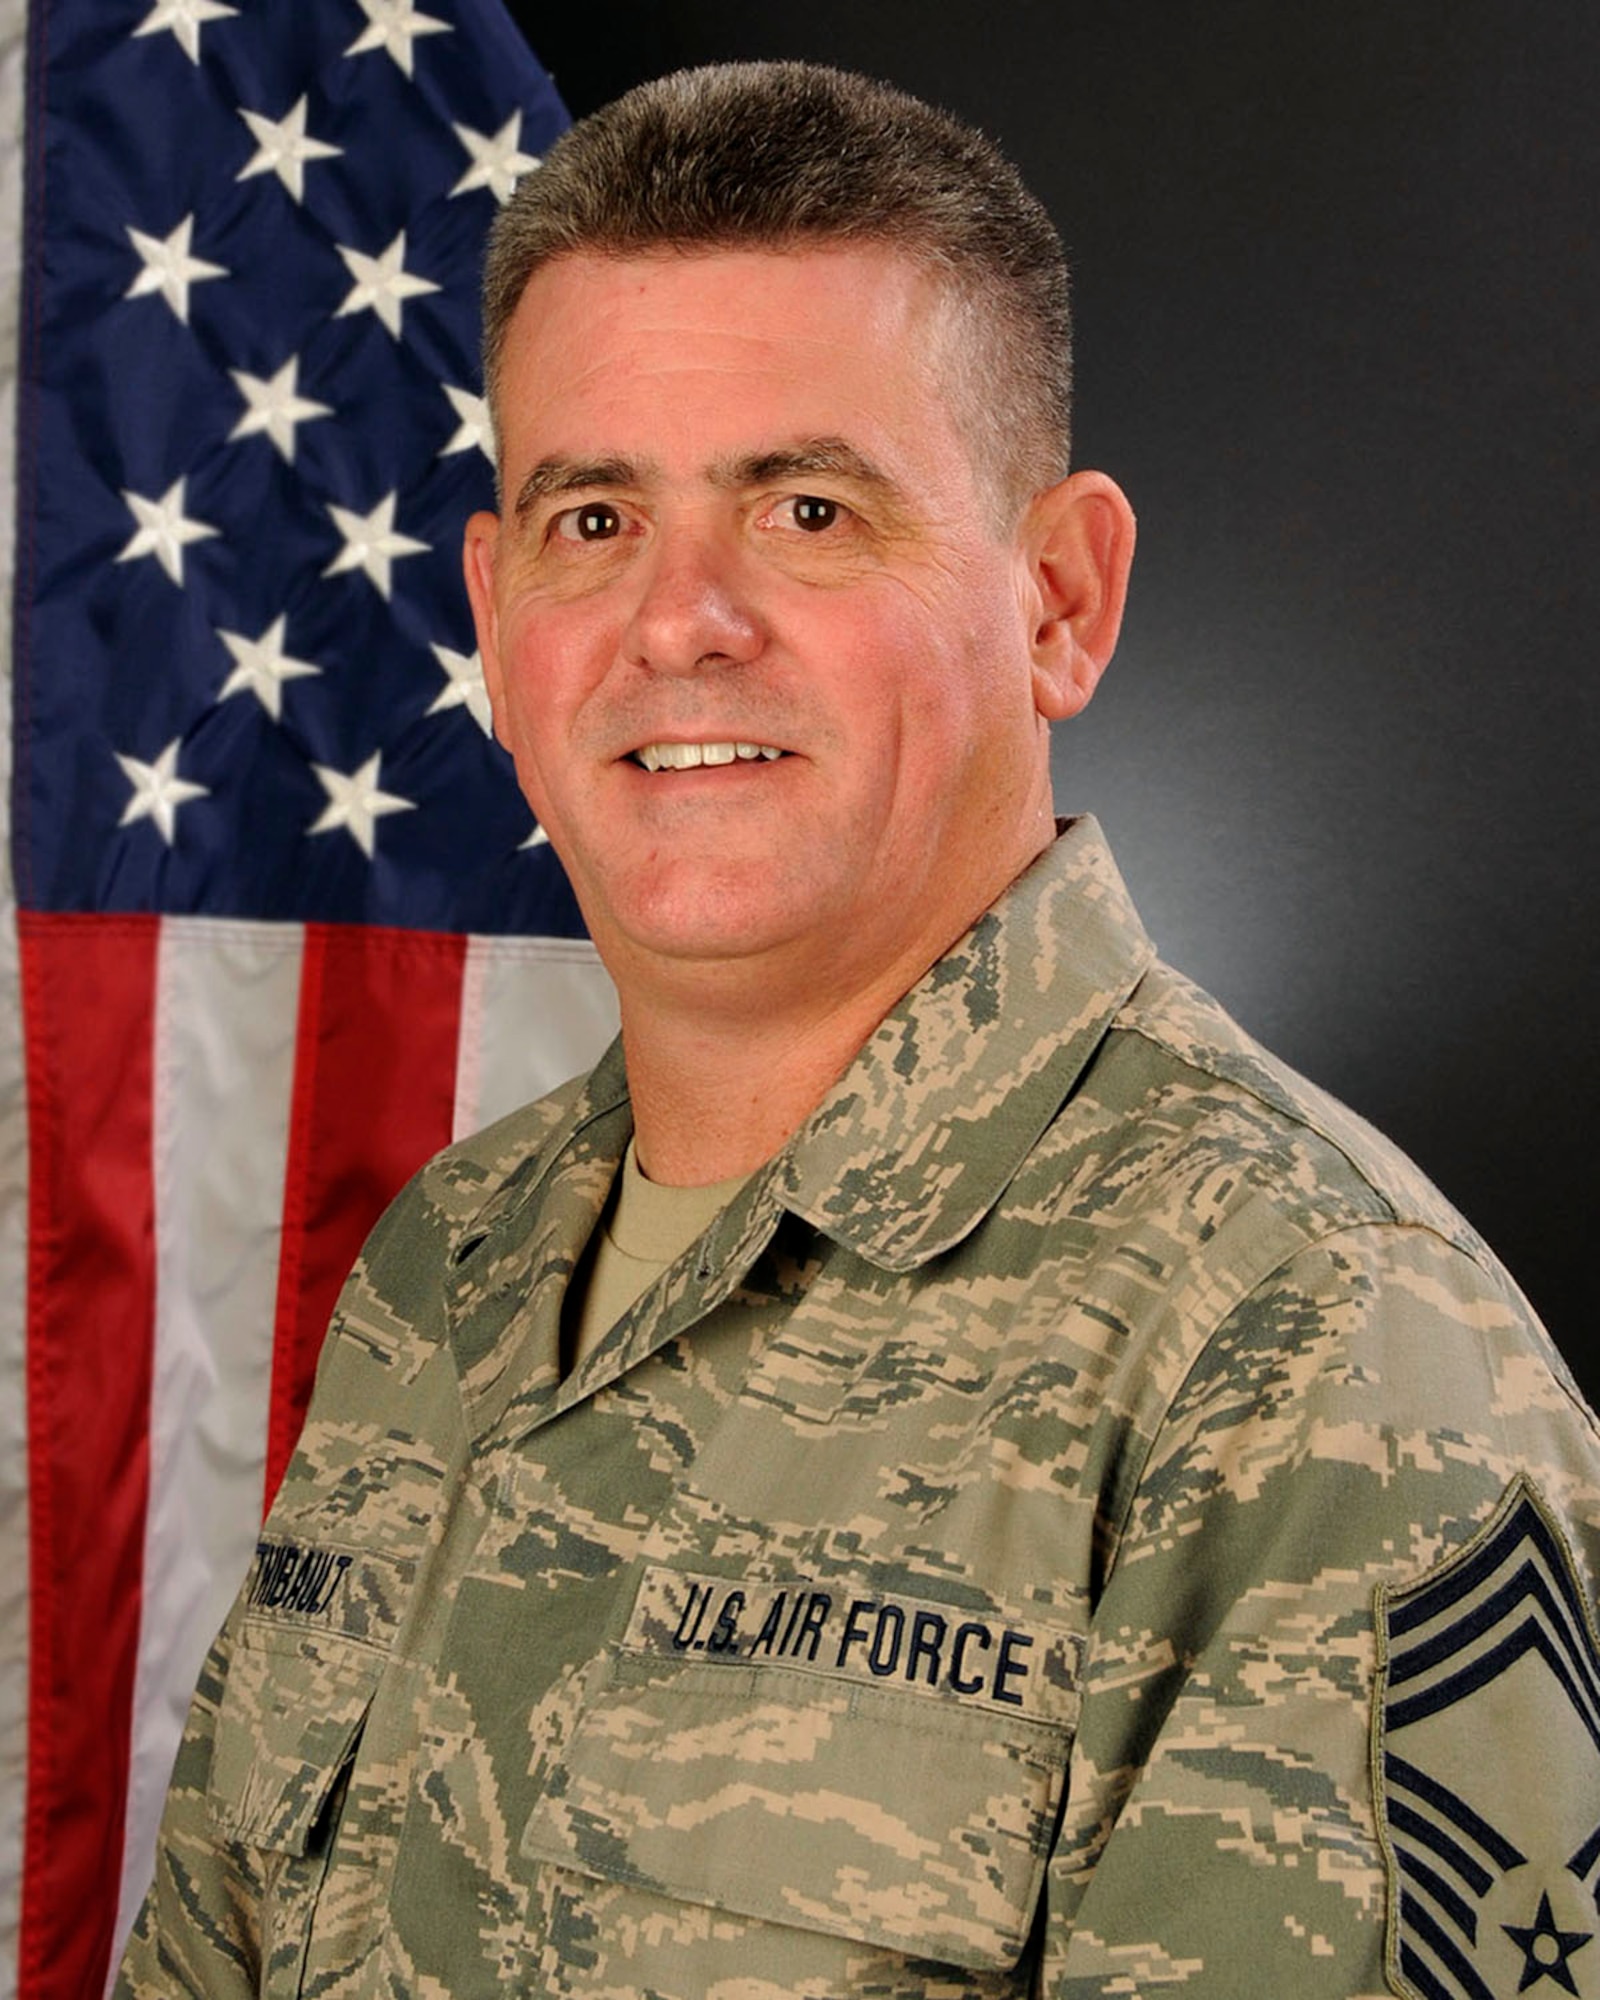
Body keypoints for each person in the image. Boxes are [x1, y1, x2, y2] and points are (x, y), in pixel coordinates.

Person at [117, 60, 1600, 2000]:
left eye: (805, 507)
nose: (679, 621)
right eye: (590, 520)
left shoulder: (1321, 1360)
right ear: (495, 620)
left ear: (1059, 597)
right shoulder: (445, 1272)